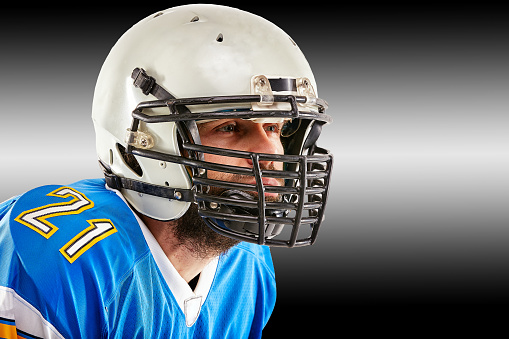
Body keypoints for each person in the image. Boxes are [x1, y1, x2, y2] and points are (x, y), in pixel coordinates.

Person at [0, 4, 332, 338]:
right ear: (146, 141)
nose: (271, 154)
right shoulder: (62, 263)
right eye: (231, 127)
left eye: (275, 128)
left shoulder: (248, 263)